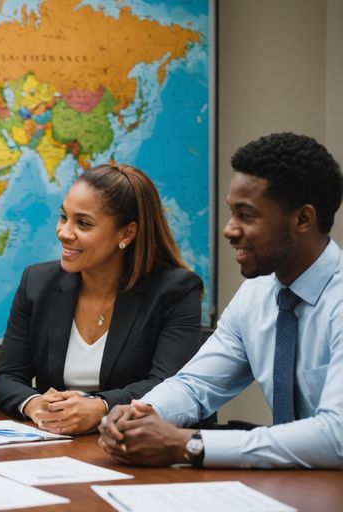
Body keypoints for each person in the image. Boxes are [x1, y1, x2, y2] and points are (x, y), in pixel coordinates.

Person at [99, 132, 343, 469]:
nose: (229, 230)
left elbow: (337, 437)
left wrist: (190, 444)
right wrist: (142, 413)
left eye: (247, 215)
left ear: (302, 219)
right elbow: (197, 384)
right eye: (232, 213)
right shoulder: (256, 295)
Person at [0, 163, 204, 435]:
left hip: (138, 445)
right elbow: (6, 378)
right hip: (57, 444)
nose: (64, 232)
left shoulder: (175, 291)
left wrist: (101, 406)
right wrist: (35, 404)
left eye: (83, 223)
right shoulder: (37, 282)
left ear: (127, 233)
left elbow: (169, 385)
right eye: (63, 217)